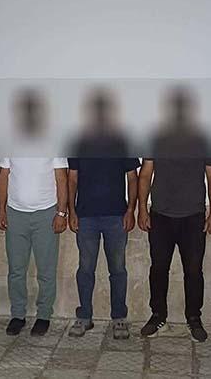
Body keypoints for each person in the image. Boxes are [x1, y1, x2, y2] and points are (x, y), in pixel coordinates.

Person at [137, 87, 211, 342]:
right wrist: (142, 208)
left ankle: (194, 318)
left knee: (194, 271)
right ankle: (157, 315)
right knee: (158, 268)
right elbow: (145, 174)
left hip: (193, 216)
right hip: (160, 215)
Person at [67, 89, 139, 340]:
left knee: (118, 269)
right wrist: (71, 210)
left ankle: (119, 318)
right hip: (86, 216)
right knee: (85, 269)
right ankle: (84, 317)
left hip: (116, 217)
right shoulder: (78, 142)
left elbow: (133, 178)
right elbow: (72, 178)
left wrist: (131, 210)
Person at [0, 157, 69, 336]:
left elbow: (61, 178)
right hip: (15, 214)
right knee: (16, 270)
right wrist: (1, 210)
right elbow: (3, 175)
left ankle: (44, 315)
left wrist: (61, 213)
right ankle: (17, 315)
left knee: (46, 270)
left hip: (46, 214)